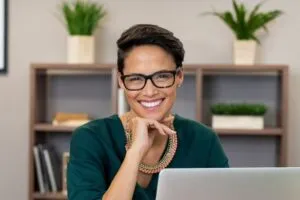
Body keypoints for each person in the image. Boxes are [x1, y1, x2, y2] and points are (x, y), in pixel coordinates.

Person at [67, 24, 229, 200]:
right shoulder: (90, 138)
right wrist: (135, 152)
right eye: (136, 79)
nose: (150, 91)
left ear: (179, 76)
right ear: (121, 82)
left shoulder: (204, 140)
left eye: (162, 76)